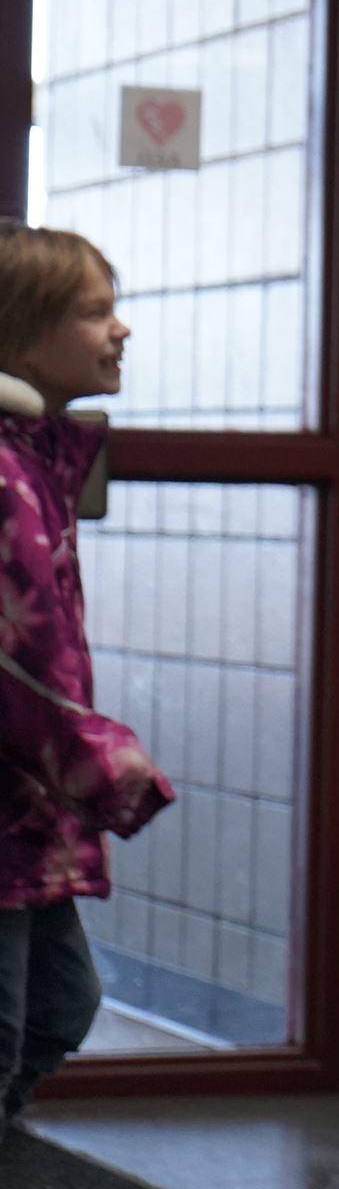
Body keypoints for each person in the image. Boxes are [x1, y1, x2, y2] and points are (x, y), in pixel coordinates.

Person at [0, 220, 173, 1133]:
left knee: (58, 1008)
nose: (122, 330)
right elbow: (21, 663)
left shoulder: (34, 463)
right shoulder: (5, 474)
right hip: (19, 798)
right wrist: (107, 771)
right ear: (20, 331)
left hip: (25, 812)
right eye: (95, 311)